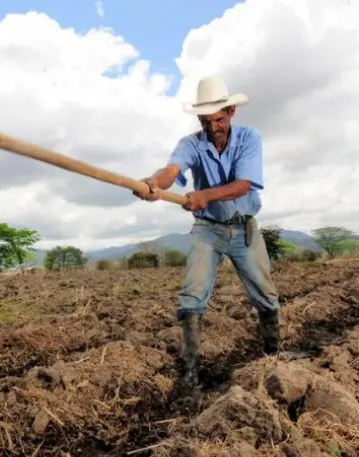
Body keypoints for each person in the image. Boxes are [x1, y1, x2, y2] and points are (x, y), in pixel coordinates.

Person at [134, 75, 281, 389]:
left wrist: (205, 195)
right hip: (207, 229)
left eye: (218, 120)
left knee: (265, 295)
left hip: (243, 228)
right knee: (193, 294)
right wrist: (154, 183)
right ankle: (191, 374)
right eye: (206, 121)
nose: (213, 127)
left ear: (231, 112)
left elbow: (244, 185)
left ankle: (273, 355)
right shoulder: (191, 144)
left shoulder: (249, 138)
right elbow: (171, 171)